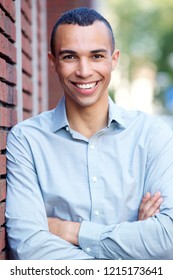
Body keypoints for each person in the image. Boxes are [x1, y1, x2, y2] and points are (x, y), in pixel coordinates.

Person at [5, 7, 173, 260]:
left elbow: (167, 239)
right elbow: (29, 248)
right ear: (53, 62)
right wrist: (134, 248)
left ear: (114, 60)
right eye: (70, 57)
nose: (84, 71)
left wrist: (70, 230)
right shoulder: (27, 140)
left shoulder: (152, 136)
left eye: (96, 56)